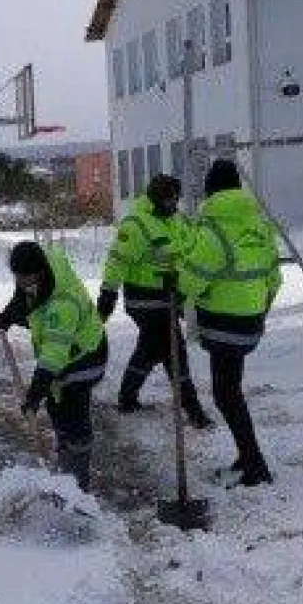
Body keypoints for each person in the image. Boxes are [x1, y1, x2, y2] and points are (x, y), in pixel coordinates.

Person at [174, 158, 282, 486]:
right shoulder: (260, 227)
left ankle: (255, 466)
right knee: (230, 390)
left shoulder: (212, 230)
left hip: (221, 325)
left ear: (210, 190)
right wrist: (258, 313)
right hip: (250, 325)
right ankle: (248, 459)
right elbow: (274, 279)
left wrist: (178, 294)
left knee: (226, 395)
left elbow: (192, 281)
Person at [97, 172, 213, 429]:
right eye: (168, 199)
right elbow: (117, 261)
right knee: (174, 351)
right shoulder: (136, 225)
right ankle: (194, 411)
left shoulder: (178, 221)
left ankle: (127, 398)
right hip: (145, 300)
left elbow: (190, 250)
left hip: (172, 297)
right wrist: (108, 293)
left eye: (175, 199)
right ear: (155, 197)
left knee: (149, 349)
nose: (173, 204)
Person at [0, 240, 109, 492]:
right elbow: (22, 299)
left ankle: (77, 485)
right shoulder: (40, 270)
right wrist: (7, 316)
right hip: (65, 353)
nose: (22, 284)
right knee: (57, 409)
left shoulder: (62, 304)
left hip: (85, 356)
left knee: (72, 412)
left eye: (27, 279)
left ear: (41, 271)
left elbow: (52, 358)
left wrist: (34, 395)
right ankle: (66, 454)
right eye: (18, 278)